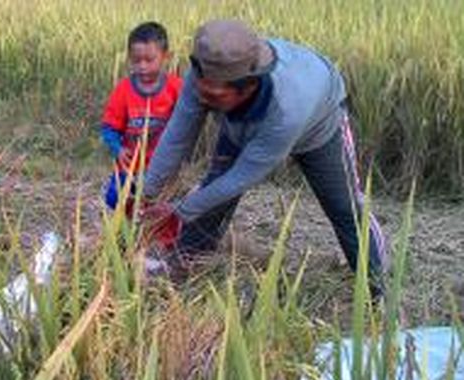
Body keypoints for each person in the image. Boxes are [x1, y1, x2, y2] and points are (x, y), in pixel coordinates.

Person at [140, 19, 387, 295]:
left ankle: (378, 290)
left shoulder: (288, 109)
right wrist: (146, 195)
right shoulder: (203, 77)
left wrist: (178, 211)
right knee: (213, 192)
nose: (204, 97)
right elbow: (177, 136)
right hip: (244, 120)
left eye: (215, 95)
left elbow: (240, 179)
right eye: (202, 88)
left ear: (246, 88)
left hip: (320, 123)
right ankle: (184, 264)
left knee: (345, 209)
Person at [100, 21, 183, 211]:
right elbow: (109, 128)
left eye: (149, 60)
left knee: (161, 207)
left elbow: (188, 124)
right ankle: (125, 233)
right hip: (129, 167)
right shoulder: (123, 90)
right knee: (114, 199)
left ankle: (153, 233)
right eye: (136, 60)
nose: (142, 66)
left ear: (166, 57)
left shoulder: (177, 87)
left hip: (163, 168)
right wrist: (118, 149)